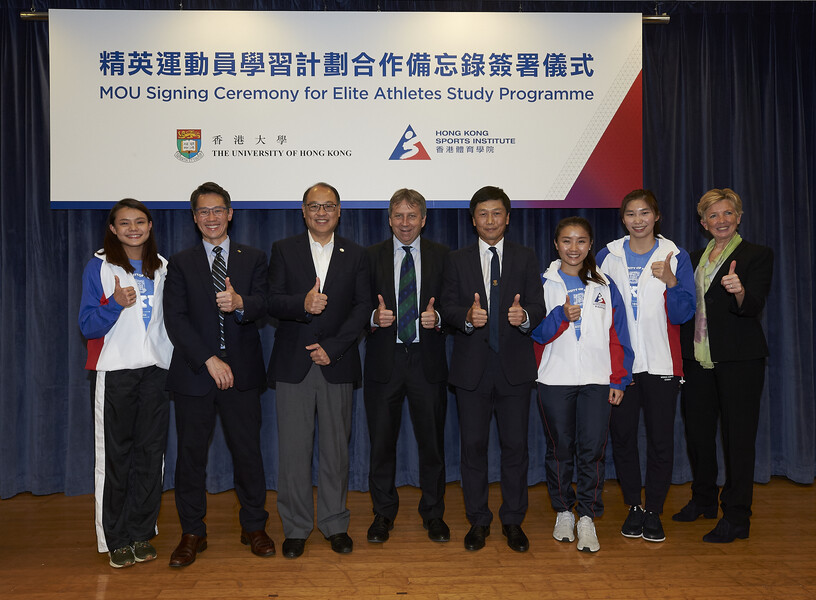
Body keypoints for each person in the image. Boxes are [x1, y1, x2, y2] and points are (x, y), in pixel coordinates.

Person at [163, 182, 274, 567]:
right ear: (195, 219)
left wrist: (241, 303)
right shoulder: (179, 262)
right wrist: (209, 359)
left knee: (248, 454)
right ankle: (192, 532)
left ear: (230, 214)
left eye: (218, 210)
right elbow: (174, 320)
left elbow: (264, 303)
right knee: (190, 458)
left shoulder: (254, 257)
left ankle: (254, 526)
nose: (211, 218)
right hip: (197, 374)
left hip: (242, 374)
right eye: (203, 212)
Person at [267, 182, 371, 558]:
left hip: (336, 363)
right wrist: (303, 304)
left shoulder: (357, 254)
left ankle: (334, 523)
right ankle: (295, 528)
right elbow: (272, 301)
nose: (322, 212)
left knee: (335, 452)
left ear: (339, 210)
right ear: (304, 211)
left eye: (328, 206)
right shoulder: (283, 250)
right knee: (293, 453)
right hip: (293, 364)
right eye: (314, 206)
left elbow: (362, 309)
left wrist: (333, 348)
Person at [440, 186, 545, 553]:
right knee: (473, 448)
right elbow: (447, 309)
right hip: (472, 372)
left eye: (497, 213)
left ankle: (513, 520)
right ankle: (478, 521)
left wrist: (525, 316)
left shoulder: (526, 256)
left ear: (508, 217)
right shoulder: (457, 260)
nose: (490, 220)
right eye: (482, 214)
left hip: (514, 370)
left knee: (516, 447)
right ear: (473, 220)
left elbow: (538, 305)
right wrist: (466, 318)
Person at [674, 188, 773, 543]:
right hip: (697, 359)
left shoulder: (756, 255)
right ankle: (703, 500)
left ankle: (737, 516)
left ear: (739, 216)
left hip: (739, 361)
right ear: (703, 223)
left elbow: (752, 306)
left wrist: (739, 289)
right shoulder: (694, 257)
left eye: (727, 213)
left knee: (738, 440)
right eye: (713, 216)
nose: (721, 220)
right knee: (698, 435)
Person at [597, 190, 696, 543]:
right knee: (623, 439)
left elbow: (684, 314)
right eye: (630, 214)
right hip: (623, 367)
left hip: (661, 364)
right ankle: (633, 507)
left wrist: (671, 281)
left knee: (660, 441)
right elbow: (600, 313)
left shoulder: (675, 255)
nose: (638, 220)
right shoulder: (607, 257)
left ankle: (654, 509)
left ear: (656, 216)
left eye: (644, 213)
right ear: (622, 218)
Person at [79, 199, 173, 569]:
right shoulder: (99, 267)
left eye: (139, 222)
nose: (133, 228)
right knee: (116, 458)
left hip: (156, 373)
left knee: (151, 456)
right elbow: (87, 326)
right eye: (124, 223)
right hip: (115, 372)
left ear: (150, 226)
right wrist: (115, 303)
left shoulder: (162, 267)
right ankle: (115, 538)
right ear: (113, 229)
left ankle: (140, 532)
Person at [533, 216, 633, 553]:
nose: (573, 248)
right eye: (566, 241)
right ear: (556, 244)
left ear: (590, 245)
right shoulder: (544, 283)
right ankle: (563, 510)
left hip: (596, 380)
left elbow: (619, 335)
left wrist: (619, 377)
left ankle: (587, 516)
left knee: (592, 451)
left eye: (580, 241)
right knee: (560, 450)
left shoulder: (605, 284)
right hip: (554, 379)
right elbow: (535, 334)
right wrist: (561, 317)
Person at [364, 188, 450, 544]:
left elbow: (457, 306)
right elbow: (355, 308)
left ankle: (433, 514)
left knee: (432, 445)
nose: (404, 223)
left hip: (426, 362)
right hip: (385, 363)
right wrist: (373, 316)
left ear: (424, 220)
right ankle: (383, 514)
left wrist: (439, 317)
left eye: (412, 216)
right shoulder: (369, 257)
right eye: (398, 216)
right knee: (381, 444)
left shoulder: (444, 256)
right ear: (389, 219)